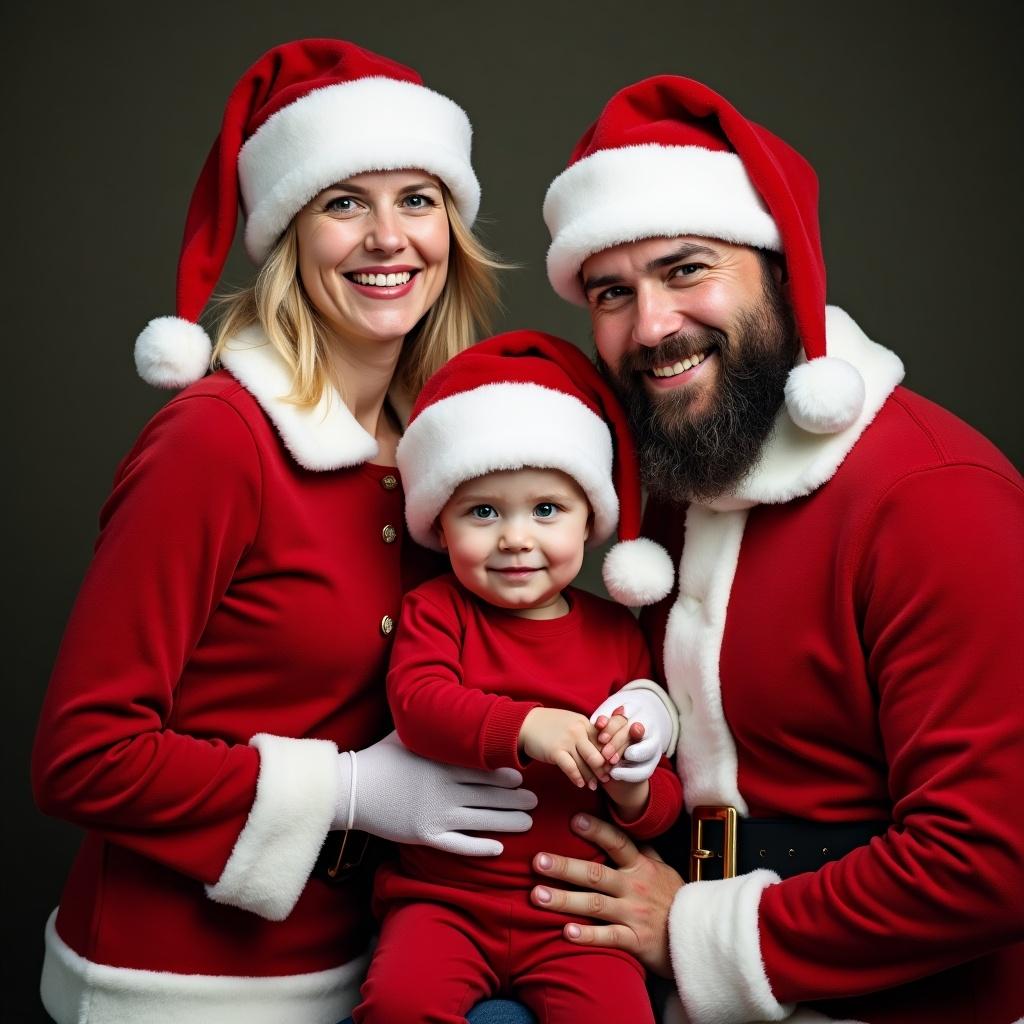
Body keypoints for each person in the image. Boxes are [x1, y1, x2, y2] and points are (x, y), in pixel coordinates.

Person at [30, 38, 538, 1024]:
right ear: (290, 235)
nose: (388, 237)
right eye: (344, 203)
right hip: (182, 991)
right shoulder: (216, 439)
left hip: (377, 970)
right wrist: (346, 789)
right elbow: (81, 753)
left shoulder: (448, 456)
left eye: (417, 200)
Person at [528, 76, 1024, 1023]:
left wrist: (696, 931)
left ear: (782, 272)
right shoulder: (674, 491)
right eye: (611, 293)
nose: (652, 326)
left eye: (686, 270)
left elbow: (991, 859)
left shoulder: (936, 498)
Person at [352, 331, 683, 1023]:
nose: (516, 538)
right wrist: (526, 724)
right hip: (443, 906)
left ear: (590, 518)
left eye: (546, 509)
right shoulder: (437, 609)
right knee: (397, 1004)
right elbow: (418, 704)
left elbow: (661, 805)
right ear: (439, 525)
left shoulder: (614, 634)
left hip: (573, 919)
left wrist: (631, 785)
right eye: (483, 512)